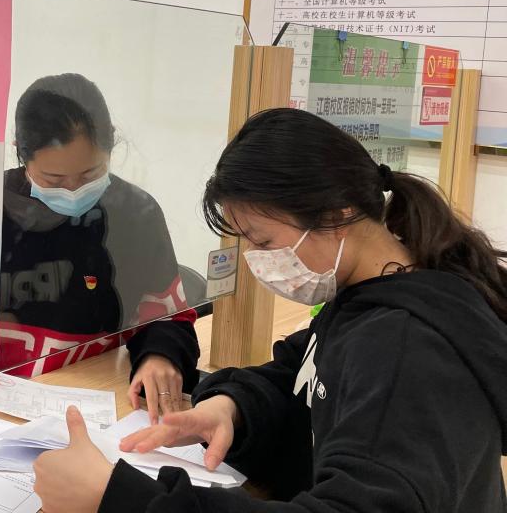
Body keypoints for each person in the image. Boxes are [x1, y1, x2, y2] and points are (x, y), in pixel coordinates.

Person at [31, 108, 507, 512]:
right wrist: (232, 408)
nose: (258, 261)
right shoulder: (369, 294)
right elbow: (301, 374)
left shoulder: (406, 348)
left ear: (337, 214)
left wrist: (118, 498)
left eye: (263, 241)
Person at [0, 73, 201, 419]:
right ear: (21, 154)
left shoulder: (135, 214)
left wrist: (159, 356)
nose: (73, 191)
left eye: (90, 174)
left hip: (95, 396)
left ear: (111, 144)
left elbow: (166, 318)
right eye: (53, 180)